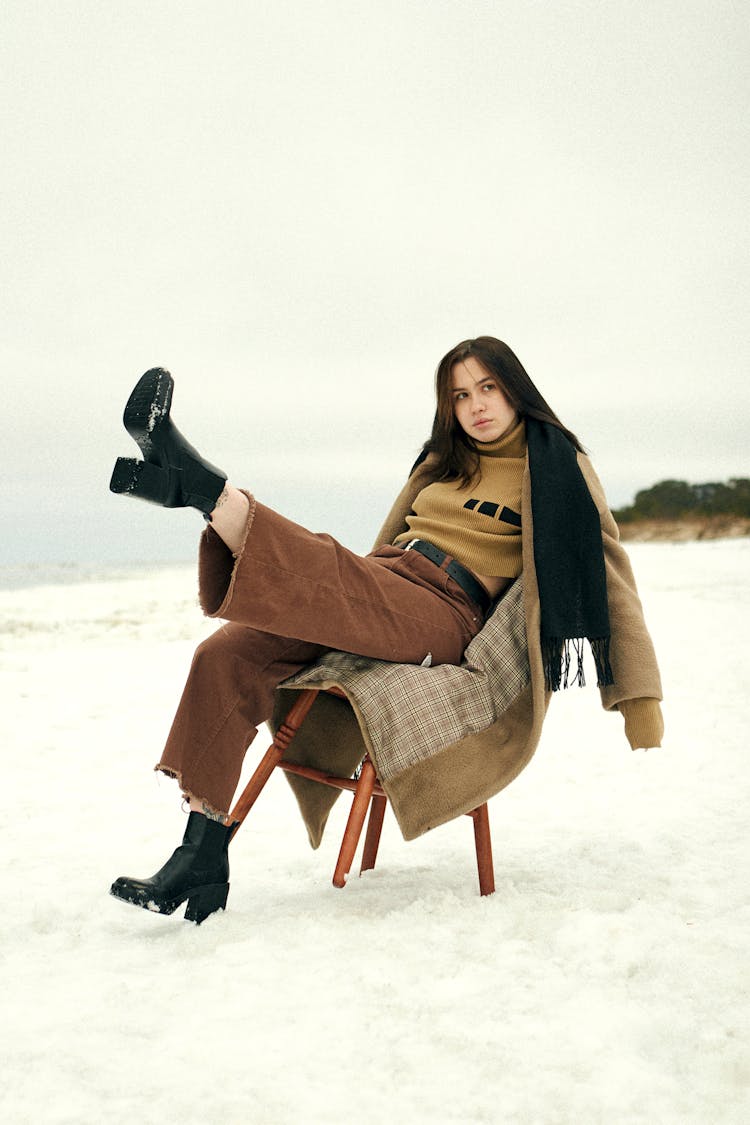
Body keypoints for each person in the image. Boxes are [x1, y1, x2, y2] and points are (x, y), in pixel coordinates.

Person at [108, 337, 663, 923]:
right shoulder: (443, 462)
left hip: (448, 611)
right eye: (460, 395)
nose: (475, 406)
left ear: (515, 388)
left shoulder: (557, 467)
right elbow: (371, 559)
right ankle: (201, 855)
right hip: (385, 581)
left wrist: (638, 697)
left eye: (488, 388)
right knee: (226, 651)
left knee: (332, 565)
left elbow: (610, 574)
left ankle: (203, 491)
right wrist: (349, 586)